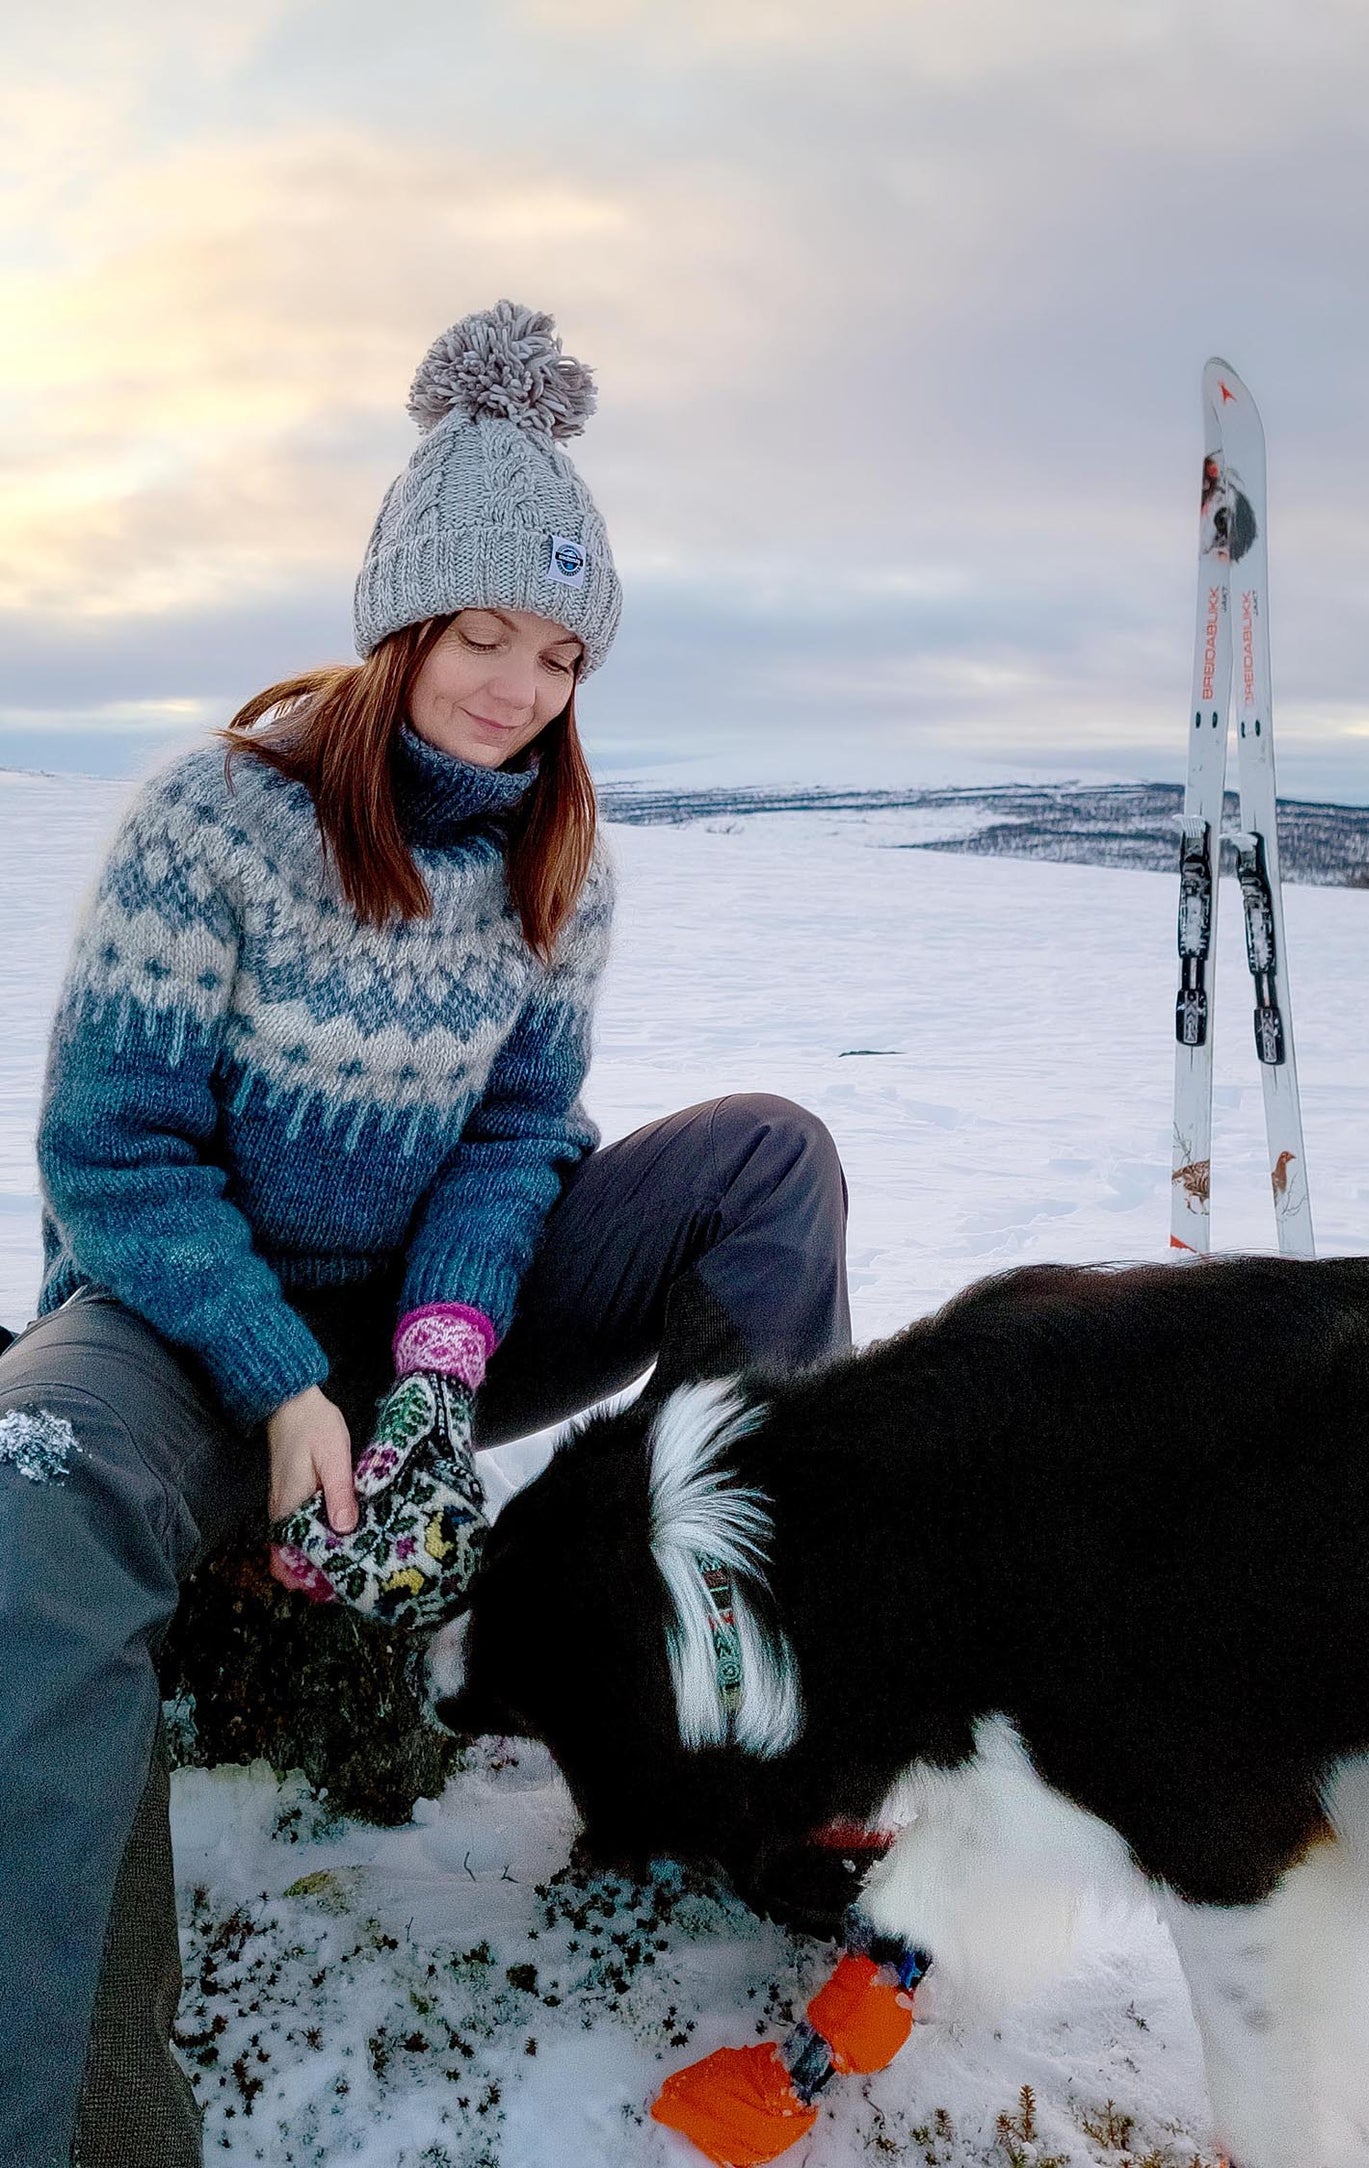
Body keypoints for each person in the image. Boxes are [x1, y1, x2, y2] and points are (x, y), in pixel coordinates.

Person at [0, 302, 850, 2166]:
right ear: (399, 622)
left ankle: (774, 1729)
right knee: (27, 1496)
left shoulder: (558, 863)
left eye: (561, 655)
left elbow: (518, 1148)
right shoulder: (213, 823)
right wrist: (289, 1389)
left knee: (765, 1159)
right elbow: (113, 1156)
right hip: (173, 1319)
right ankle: (75, 2117)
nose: (520, 689)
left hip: (418, 1331)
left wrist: (435, 1378)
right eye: (484, 637)